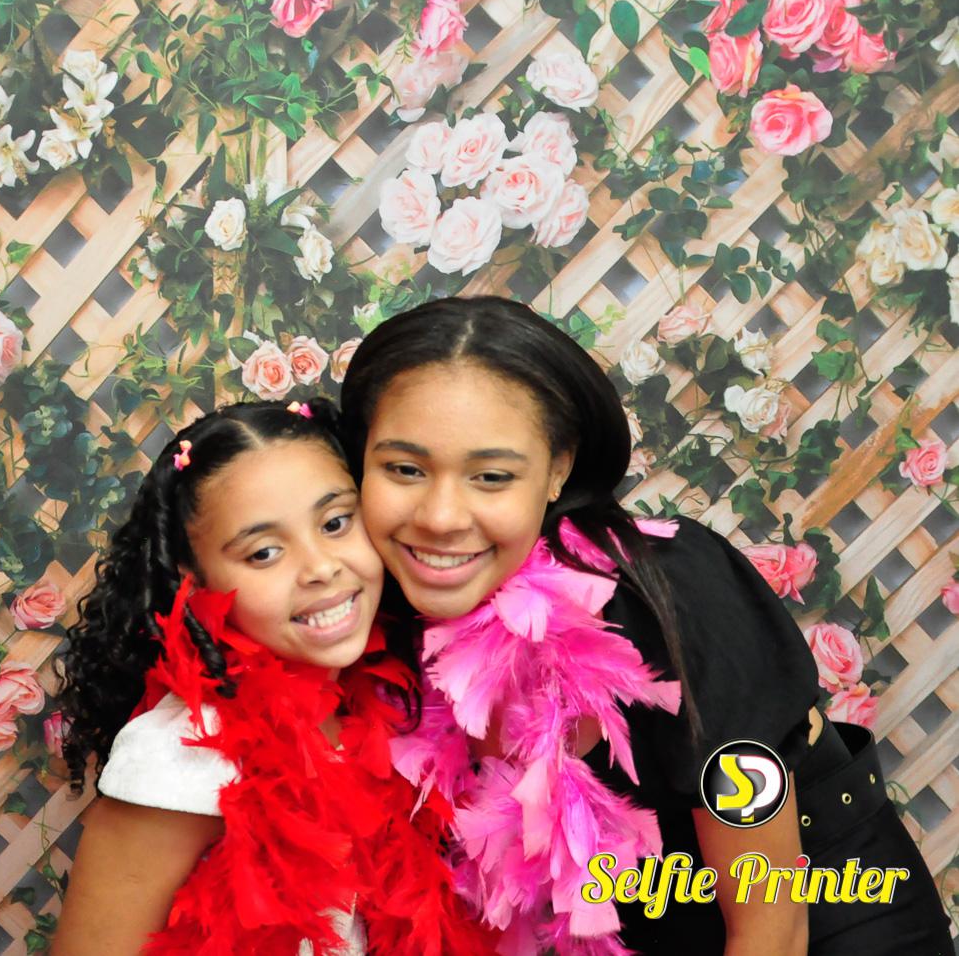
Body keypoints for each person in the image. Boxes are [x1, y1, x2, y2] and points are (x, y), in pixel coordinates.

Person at [338, 295, 953, 956]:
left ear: (558, 469)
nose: (439, 517)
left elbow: (773, 930)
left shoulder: (671, 592)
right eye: (404, 469)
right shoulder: (368, 612)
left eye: (491, 476)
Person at [51, 400, 493, 955]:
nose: (321, 567)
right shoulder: (177, 755)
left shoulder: (387, 704)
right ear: (196, 580)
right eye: (263, 553)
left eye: (335, 523)